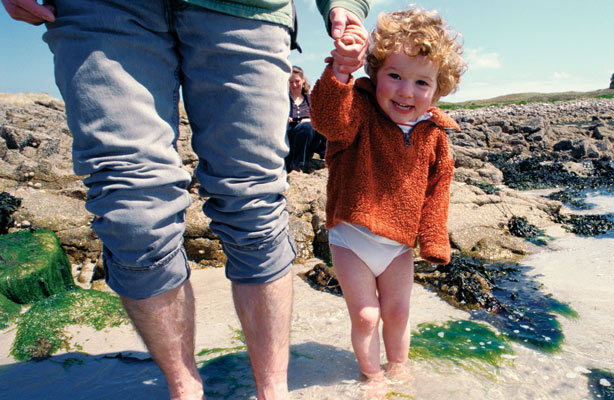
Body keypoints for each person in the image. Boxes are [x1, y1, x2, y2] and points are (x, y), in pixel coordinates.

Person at [2, 0, 370, 399]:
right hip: (100, 10)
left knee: (254, 205)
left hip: (246, 10)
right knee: (133, 218)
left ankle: (273, 391)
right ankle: (184, 388)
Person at [310, 7, 467, 396]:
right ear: (375, 73)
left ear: (438, 89)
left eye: (421, 82)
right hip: (351, 234)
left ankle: (398, 367)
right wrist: (340, 73)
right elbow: (326, 120)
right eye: (394, 75)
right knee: (366, 316)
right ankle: (371, 376)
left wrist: (433, 240)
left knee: (397, 313)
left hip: (398, 244)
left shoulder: (434, 134)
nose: (405, 91)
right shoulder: (358, 111)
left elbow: (437, 191)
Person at [285, 66, 326, 172]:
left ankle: (329, 156)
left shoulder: (311, 99)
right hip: (291, 139)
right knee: (306, 127)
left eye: (297, 81)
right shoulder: (284, 99)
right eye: (291, 82)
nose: (294, 85)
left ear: (303, 80)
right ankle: (296, 165)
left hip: (310, 140)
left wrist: (310, 120)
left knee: (318, 125)